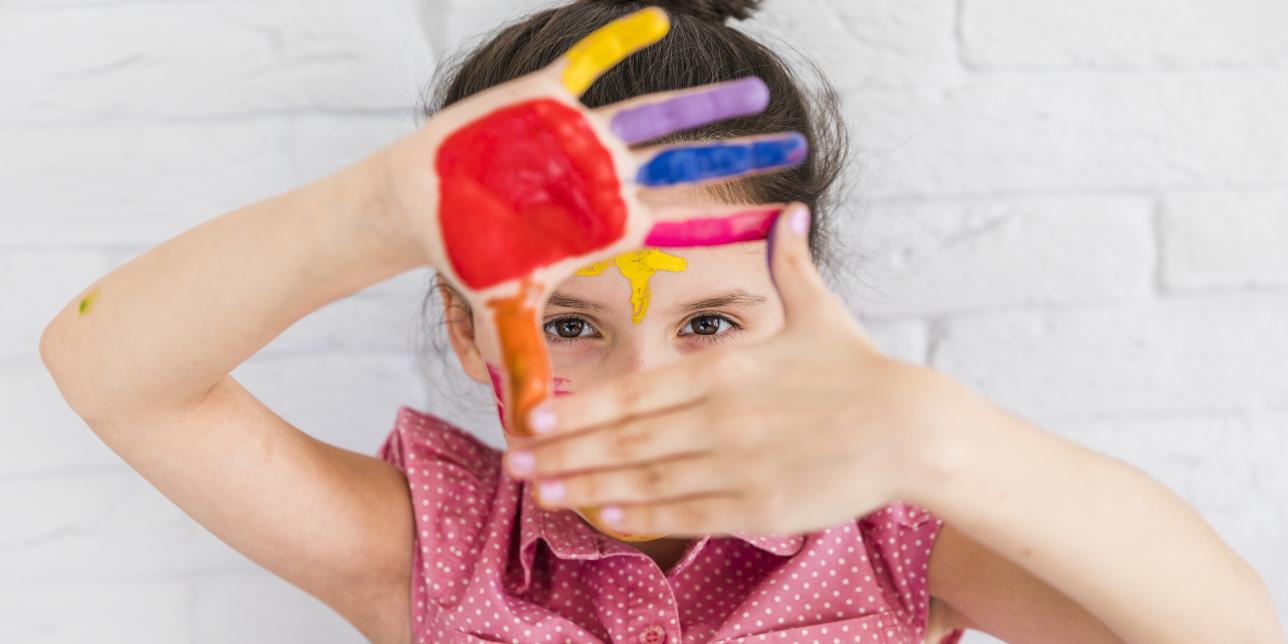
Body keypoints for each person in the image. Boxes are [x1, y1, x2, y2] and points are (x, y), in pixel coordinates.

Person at [38, 1, 1284, 643]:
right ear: (471, 337)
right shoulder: (439, 554)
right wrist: (379, 207)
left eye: (709, 323)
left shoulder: (903, 536)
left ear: (802, 313)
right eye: (568, 326)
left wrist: (936, 436)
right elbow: (109, 369)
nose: (646, 381)